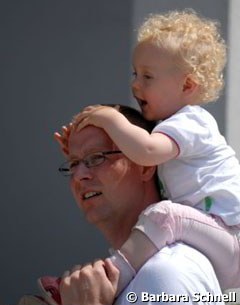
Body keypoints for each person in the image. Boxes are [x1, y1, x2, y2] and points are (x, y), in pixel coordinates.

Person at [39, 9, 240, 302]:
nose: (135, 84)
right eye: (73, 163)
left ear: (187, 85)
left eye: (147, 76)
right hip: (218, 240)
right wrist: (83, 150)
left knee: (162, 215)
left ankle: (111, 277)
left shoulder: (192, 122)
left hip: (231, 237)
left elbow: (145, 150)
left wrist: (109, 119)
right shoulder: (170, 135)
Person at [29, 104, 224, 305]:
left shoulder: (165, 273)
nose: (79, 176)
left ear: (145, 167)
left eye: (96, 158)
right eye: (73, 163)